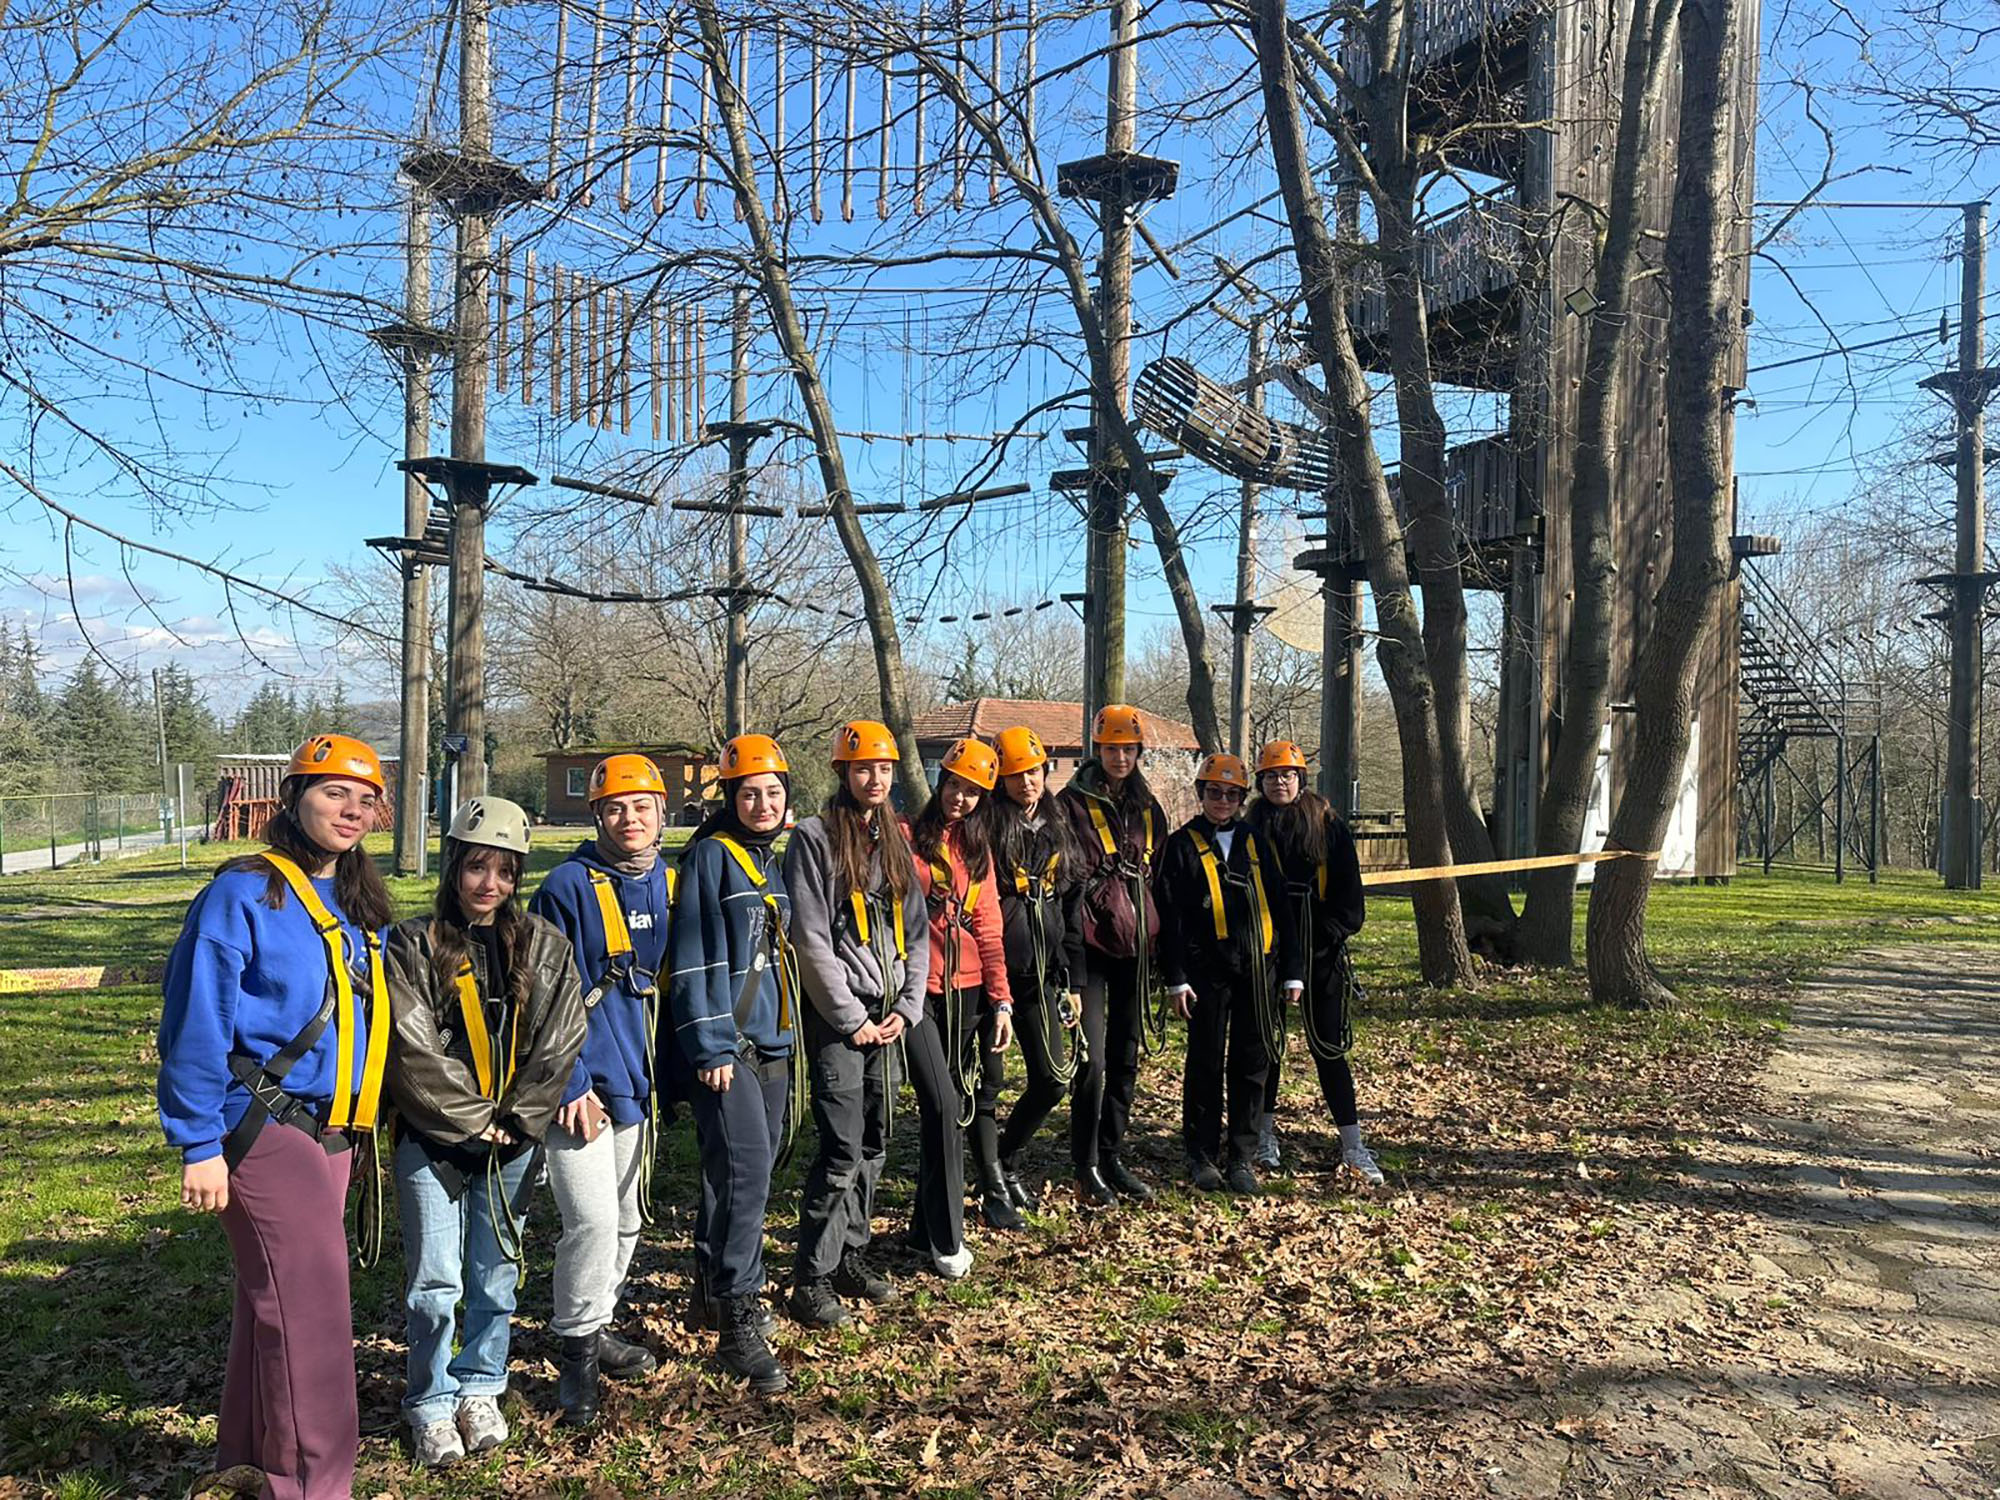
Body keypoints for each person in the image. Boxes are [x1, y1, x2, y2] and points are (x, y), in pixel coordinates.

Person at [156, 733, 394, 1500]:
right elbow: (196, 1019)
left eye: (365, 800)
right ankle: (314, 1487)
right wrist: (198, 1141)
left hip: (334, 1129)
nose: (351, 811)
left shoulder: (360, 902)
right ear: (294, 799)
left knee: (279, 1302)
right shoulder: (243, 894)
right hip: (259, 1121)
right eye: (334, 793)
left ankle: (249, 1458)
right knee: (312, 1316)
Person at [383, 797, 588, 1465]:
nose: (489, 884)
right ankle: (430, 1400)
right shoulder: (413, 944)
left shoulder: (544, 946)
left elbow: (559, 1040)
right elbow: (412, 1047)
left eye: (504, 872)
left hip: (512, 1140)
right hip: (433, 1139)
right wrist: (475, 1120)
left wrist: (519, 1119)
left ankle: (480, 1385)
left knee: (495, 1275)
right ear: (454, 868)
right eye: (477, 867)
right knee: (435, 1282)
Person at [527, 752, 673, 1427]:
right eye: (615, 808)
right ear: (597, 817)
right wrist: (569, 1083)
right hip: (580, 1085)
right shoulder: (566, 887)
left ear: (661, 813)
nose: (629, 818)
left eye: (641, 807)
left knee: (629, 1218)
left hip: (638, 1081)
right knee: (591, 1222)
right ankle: (577, 1357)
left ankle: (597, 1319)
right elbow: (540, 992)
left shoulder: (667, 882)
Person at [782, 720, 935, 1324]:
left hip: (888, 1017)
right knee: (842, 1148)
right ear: (842, 772)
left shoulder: (894, 838)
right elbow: (811, 938)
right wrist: (850, 1020)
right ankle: (811, 1277)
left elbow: (917, 933)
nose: (875, 778)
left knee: (874, 1142)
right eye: (863, 768)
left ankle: (851, 1254)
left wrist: (908, 1007)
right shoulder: (814, 839)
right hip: (840, 1019)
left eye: (884, 768)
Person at [666, 734, 799, 1394]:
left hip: (772, 1041)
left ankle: (710, 1288)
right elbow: (692, 959)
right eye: (750, 794)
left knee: (738, 1171)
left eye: (772, 793)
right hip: (729, 1046)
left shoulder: (768, 861)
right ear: (730, 798)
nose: (762, 803)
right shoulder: (711, 857)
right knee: (747, 1179)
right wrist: (711, 1043)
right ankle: (739, 1319)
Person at [1157, 753, 1303, 1195]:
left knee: (1252, 1062)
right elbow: (1170, 917)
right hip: (1205, 972)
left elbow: (1281, 906)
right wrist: (1175, 977)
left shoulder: (1254, 842)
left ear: (1242, 798)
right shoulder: (1180, 846)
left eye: (1232, 794)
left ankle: (1242, 1154)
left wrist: (1293, 971)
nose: (1223, 801)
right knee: (1204, 1061)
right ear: (1201, 794)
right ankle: (1201, 1154)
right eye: (1214, 792)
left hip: (1258, 970)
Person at [1244, 741, 1382, 1184]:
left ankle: (1353, 1144)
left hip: (1320, 954)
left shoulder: (1327, 825)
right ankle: (1264, 1136)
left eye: (1287, 775)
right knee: (1267, 1047)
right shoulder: (1250, 828)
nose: (1279, 783)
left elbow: (1350, 902)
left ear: (1301, 780)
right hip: (1267, 952)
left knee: (1329, 1049)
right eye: (1270, 776)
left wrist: (1321, 940)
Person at [1058, 704, 1168, 1207]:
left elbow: (1159, 878)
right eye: (1111, 749)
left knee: (1126, 1056)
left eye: (1128, 749)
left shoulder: (1148, 808)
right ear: (1097, 749)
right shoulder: (1070, 806)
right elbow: (1064, 884)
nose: (1120, 757)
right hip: (1091, 948)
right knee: (1093, 1060)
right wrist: (1071, 968)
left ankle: (1110, 1153)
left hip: (1136, 949)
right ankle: (1085, 1163)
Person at [907, 738, 1017, 1236]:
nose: (960, 798)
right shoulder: (908, 837)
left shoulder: (978, 852)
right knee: (941, 1103)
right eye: (954, 785)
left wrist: (1001, 1001)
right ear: (940, 783)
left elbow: (990, 929)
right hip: (918, 989)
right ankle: (941, 1225)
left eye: (972, 792)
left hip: (967, 989)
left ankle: (925, 1220)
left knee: (955, 1103)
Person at [983, 724, 1087, 1220]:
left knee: (1052, 1079)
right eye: (1016, 774)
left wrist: (1073, 977)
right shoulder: (987, 827)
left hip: (1042, 973)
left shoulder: (1058, 825)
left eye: (1033, 772)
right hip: (993, 973)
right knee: (987, 1084)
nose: (1026, 782)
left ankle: (1007, 1158)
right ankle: (989, 1179)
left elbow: (1071, 904)